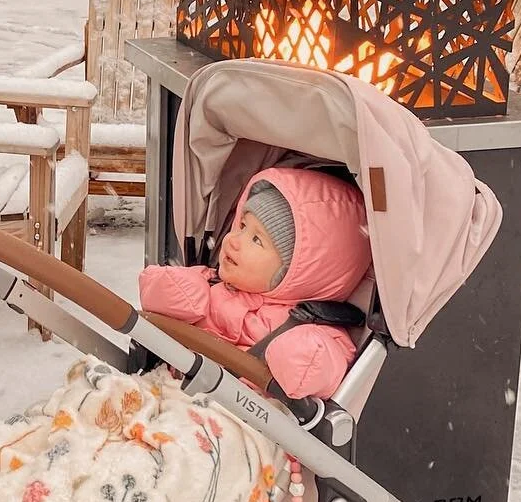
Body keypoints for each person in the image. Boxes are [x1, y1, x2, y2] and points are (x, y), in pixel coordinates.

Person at [137, 166, 371, 398]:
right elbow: (157, 289)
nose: (233, 241)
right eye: (241, 226)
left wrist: (301, 358)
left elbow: (324, 363)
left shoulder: (308, 326)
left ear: (297, 270)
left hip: (243, 416)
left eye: (257, 240)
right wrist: (174, 291)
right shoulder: (211, 283)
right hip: (171, 391)